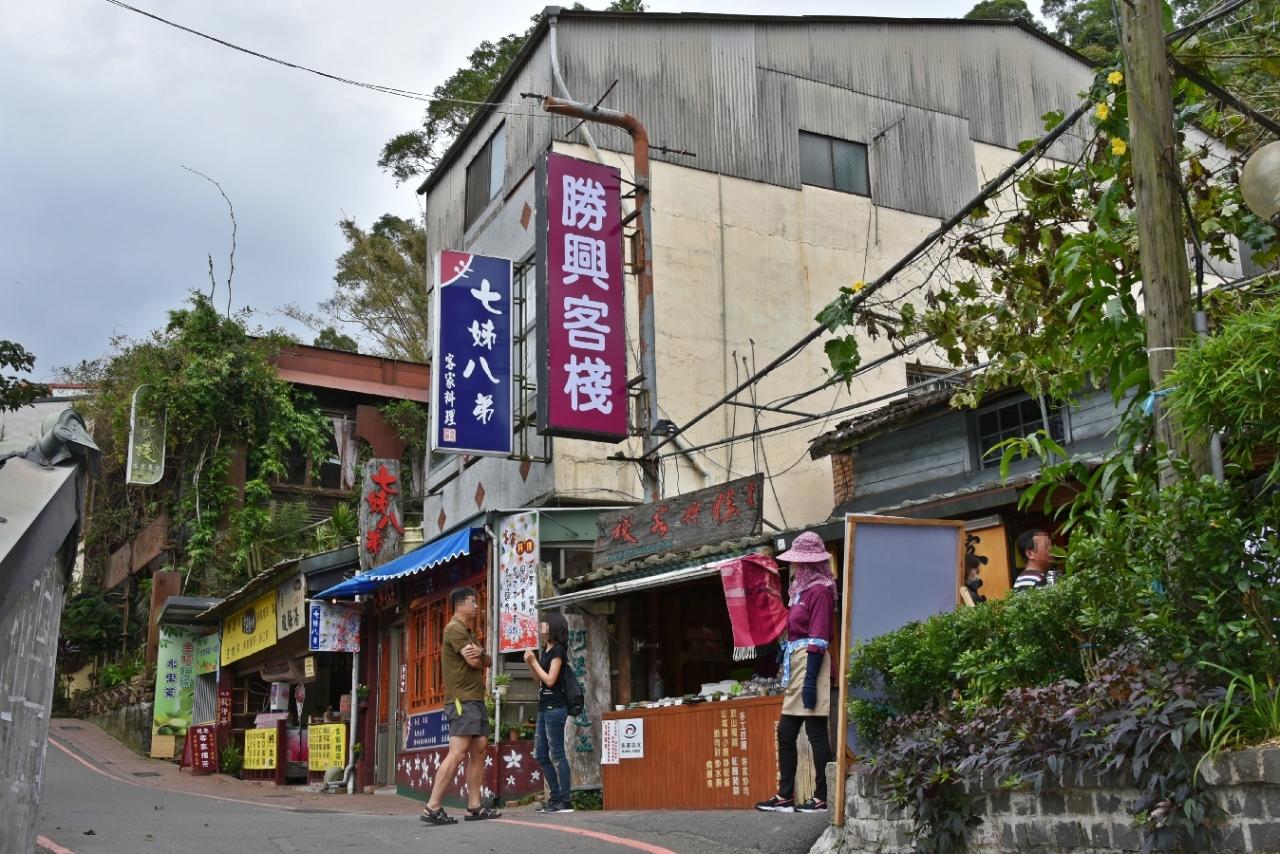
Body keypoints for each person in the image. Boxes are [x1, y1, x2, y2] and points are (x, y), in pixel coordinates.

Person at [756, 531, 835, 814]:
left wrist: (811, 680)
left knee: (816, 732)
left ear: (810, 563)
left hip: (812, 662)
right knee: (786, 732)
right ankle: (785, 796)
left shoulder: (820, 591)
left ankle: (823, 796)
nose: (795, 566)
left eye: (800, 562)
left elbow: (819, 637)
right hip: (798, 660)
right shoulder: (801, 591)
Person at [420, 586, 501, 826]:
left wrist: (481, 653)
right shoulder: (454, 628)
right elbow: (475, 662)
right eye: (472, 602)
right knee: (458, 752)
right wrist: (481, 656)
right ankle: (432, 806)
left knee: (480, 748)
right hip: (461, 699)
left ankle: (474, 806)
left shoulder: (467, 632)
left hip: (474, 698)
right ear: (460, 604)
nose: (476, 606)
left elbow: (487, 660)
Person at [524, 611, 574, 814]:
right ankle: (555, 798)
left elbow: (551, 680)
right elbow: (539, 680)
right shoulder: (547, 649)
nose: (541, 627)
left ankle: (565, 800)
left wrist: (535, 662)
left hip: (556, 708)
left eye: (544, 624)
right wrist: (531, 663)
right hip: (544, 707)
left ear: (553, 627)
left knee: (558, 754)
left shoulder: (559, 650)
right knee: (541, 754)